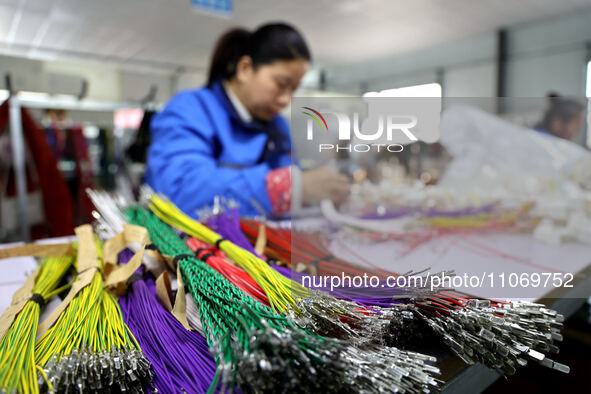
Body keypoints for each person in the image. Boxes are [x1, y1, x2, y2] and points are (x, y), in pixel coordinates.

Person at [146, 23, 350, 217]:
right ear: (245, 68)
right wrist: (286, 188)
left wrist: (321, 189)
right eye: (281, 84)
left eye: (294, 89)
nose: (286, 100)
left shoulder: (278, 126)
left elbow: (291, 175)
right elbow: (178, 193)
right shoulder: (190, 109)